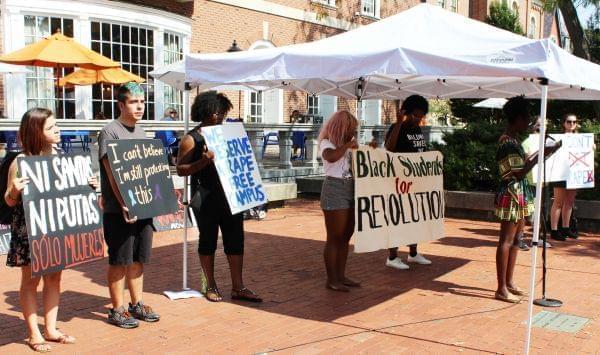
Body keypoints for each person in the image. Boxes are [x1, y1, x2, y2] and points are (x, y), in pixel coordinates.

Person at [5, 108, 95, 352]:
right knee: (30, 281)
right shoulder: (21, 161)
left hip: (56, 229)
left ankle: (51, 329)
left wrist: (88, 186)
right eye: (50, 127)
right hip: (31, 230)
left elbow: (70, 192)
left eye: (56, 125)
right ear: (36, 132)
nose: (58, 130)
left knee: (55, 278)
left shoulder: (63, 157)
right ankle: (34, 333)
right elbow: (9, 200)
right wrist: (14, 189)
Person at [176, 91, 262, 303]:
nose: (223, 115)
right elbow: (181, 169)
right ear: (210, 111)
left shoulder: (227, 133)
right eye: (220, 110)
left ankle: (238, 286)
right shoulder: (192, 138)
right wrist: (203, 161)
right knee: (208, 241)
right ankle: (210, 285)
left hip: (232, 195)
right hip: (205, 196)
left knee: (236, 240)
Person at [98, 82, 160, 328]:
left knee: (138, 259)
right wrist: (125, 204)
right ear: (121, 104)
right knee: (120, 260)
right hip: (119, 210)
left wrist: (156, 200)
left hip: (143, 207)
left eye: (142, 102)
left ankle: (137, 303)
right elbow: (112, 172)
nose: (140, 106)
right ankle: (117, 309)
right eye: (134, 102)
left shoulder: (142, 131)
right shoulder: (110, 132)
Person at [493, 96, 559, 303]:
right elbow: (518, 173)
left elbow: (520, 168)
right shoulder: (507, 142)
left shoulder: (512, 140)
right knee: (506, 240)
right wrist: (541, 155)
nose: (528, 124)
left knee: (515, 240)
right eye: (527, 119)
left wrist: (541, 154)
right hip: (511, 193)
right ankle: (501, 288)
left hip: (518, 193)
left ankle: (509, 282)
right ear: (518, 119)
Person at [384, 95, 432, 270]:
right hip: (398, 183)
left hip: (415, 182)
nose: (418, 119)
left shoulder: (417, 130)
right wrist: (398, 123)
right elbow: (389, 148)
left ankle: (413, 253)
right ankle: (392, 256)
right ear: (406, 112)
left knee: (415, 219)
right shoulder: (399, 128)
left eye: (420, 116)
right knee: (398, 219)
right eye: (415, 116)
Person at [319, 110, 361, 292]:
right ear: (341, 128)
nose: (352, 133)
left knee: (345, 236)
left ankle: (341, 276)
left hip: (350, 188)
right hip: (335, 189)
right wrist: (348, 146)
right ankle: (332, 279)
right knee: (334, 237)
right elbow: (331, 156)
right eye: (350, 129)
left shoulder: (347, 144)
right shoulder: (326, 142)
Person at [549, 114, 579, 241]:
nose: (571, 123)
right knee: (558, 202)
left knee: (570, 202)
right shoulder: (557, 138)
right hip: (560, 173)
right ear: (564, 123)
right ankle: (554, 230)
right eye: (569, 121)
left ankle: (566, 228)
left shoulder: (581, 138)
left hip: (574, 173)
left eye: (574, 121)